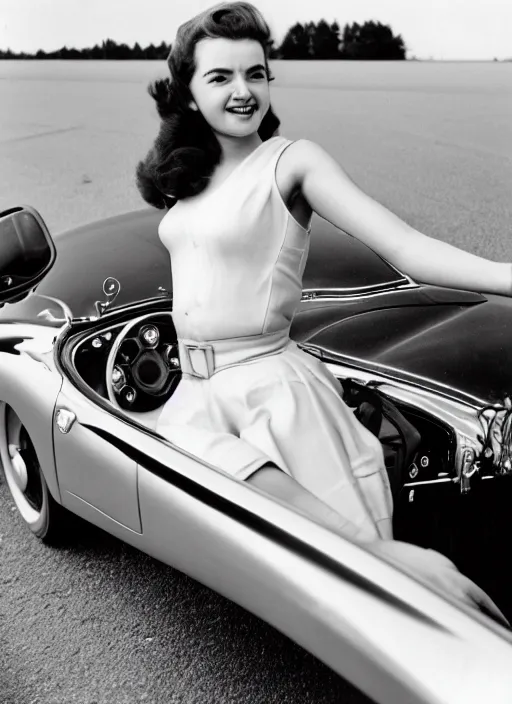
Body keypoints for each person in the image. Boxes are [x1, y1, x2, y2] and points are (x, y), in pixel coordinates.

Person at [136, 2, 510, 624]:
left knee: (372, 584)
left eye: (255, 74)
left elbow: (407, 249)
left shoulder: (291, 162)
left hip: (271, 397)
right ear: (188, 92)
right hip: (194, 396)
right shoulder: (189, 183)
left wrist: (505, 276)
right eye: (220, 77)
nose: (242, 91)